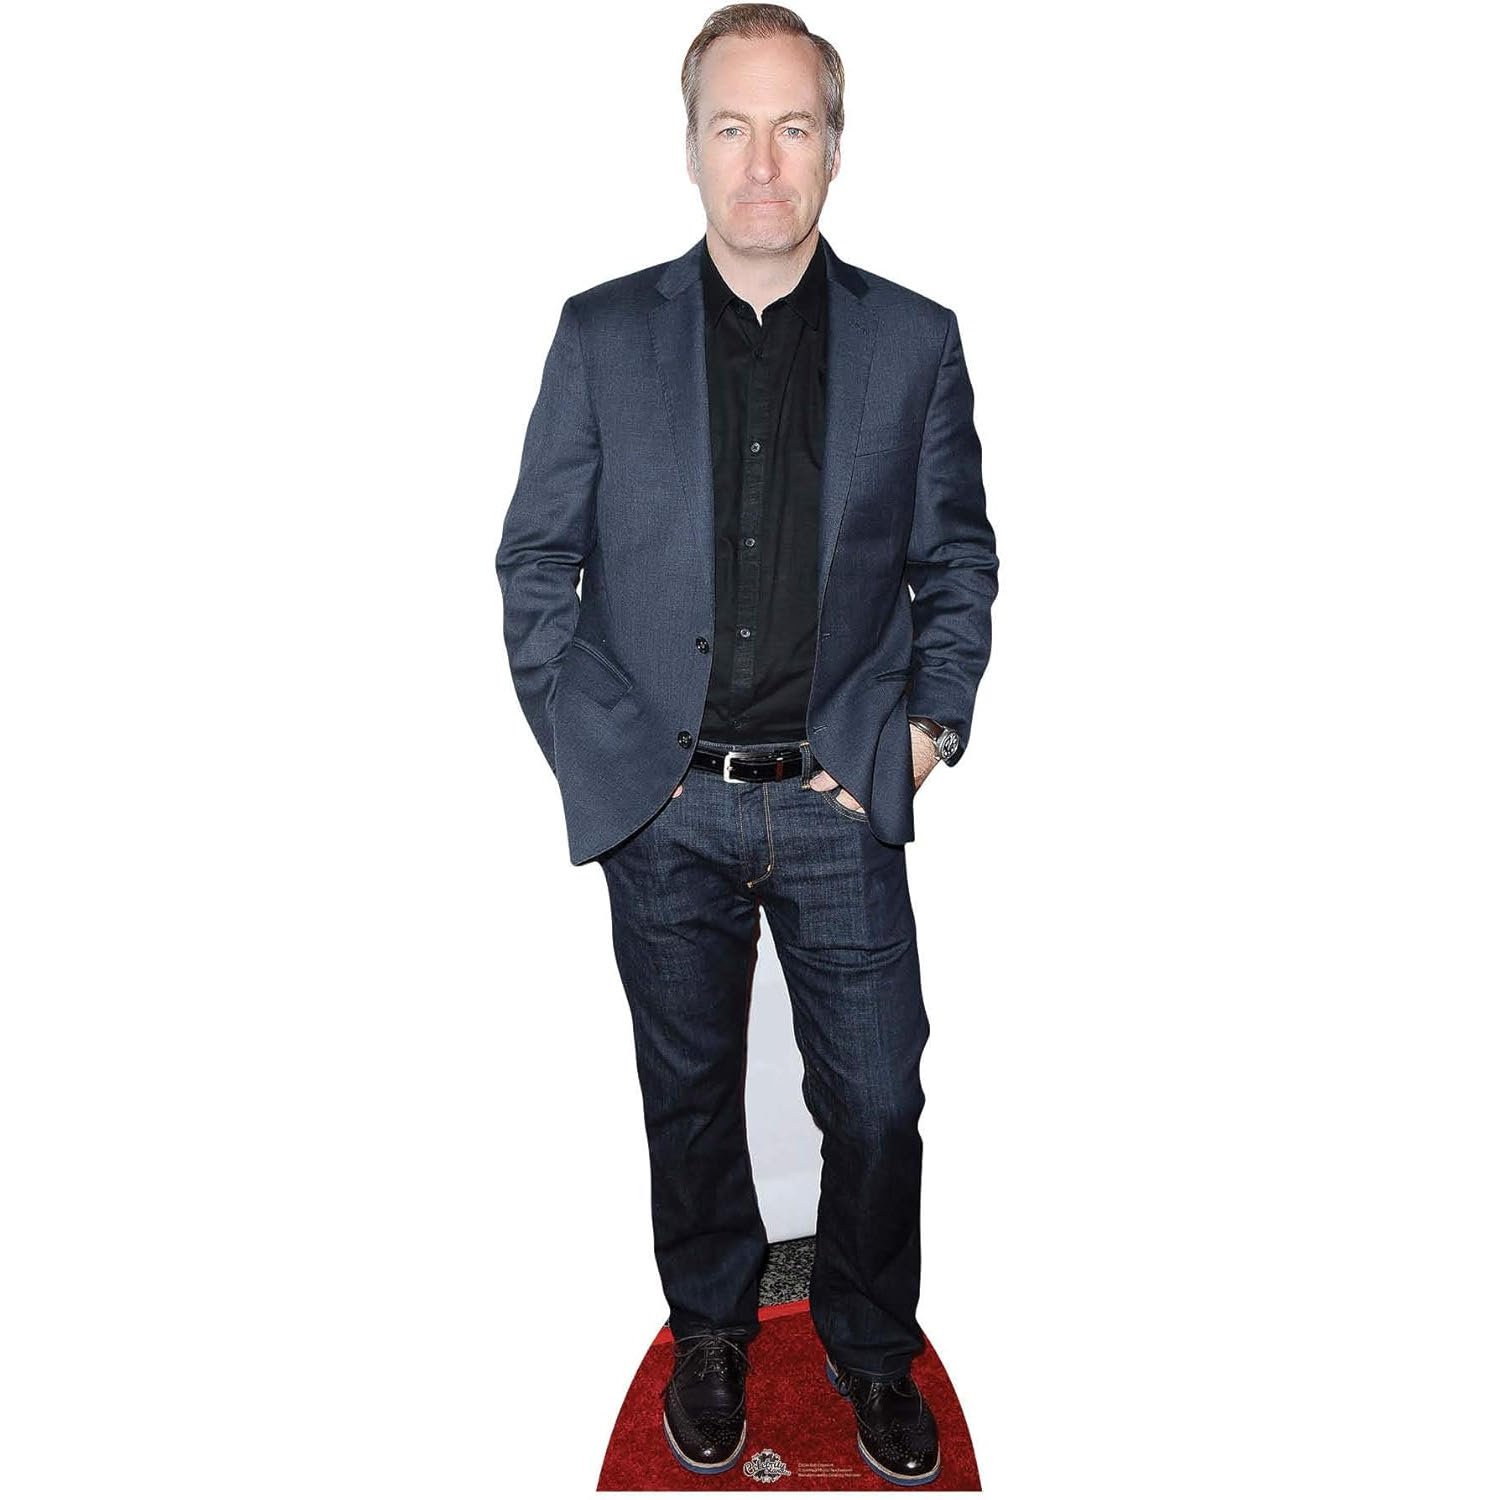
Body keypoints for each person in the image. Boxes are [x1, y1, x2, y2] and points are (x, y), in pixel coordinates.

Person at [495, 4, 997, 1486]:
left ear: (834, 148)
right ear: (693, 146)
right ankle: (710, 1326)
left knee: (881, 1102)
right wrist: (611, 766)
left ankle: (870, 1345)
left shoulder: (916, 342)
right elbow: (536, 564)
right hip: (670, 812)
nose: (763, 162)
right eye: (734, 126)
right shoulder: (601, 337)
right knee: (690, 1092)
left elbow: (957, 561)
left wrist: (925, 729)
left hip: (843, 804)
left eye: (793, 127)